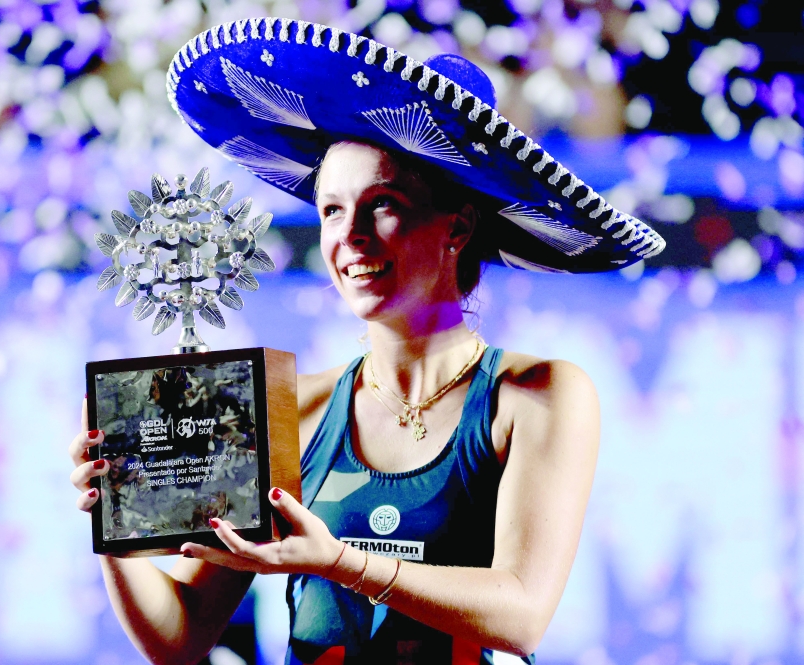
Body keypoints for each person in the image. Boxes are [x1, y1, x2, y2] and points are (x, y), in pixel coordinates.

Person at [68, 17, 665, 665]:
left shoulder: (535, 395)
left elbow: (520, 613)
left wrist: (343, 561)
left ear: (458, 224)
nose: (348, 237)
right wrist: (115, 519)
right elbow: (179, 638)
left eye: (381, 203)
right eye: (330, 209)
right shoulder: (287, 411)